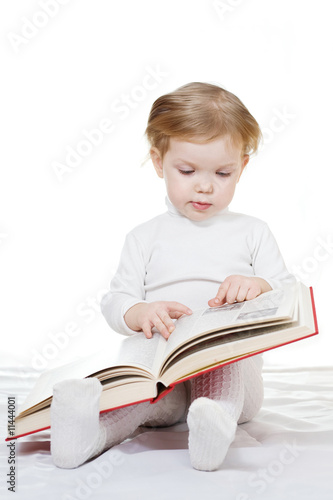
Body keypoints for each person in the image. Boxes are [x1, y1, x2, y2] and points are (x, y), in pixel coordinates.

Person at [51, 82, 295, 471]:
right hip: (166, 379)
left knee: (223, 357)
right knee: (141, 379)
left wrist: (260, 286)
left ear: (242, 167)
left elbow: (289, 293)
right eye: (187, 170)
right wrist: (140, 312)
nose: (204, 184)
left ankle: (212, 424)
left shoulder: (253, 232)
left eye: (222, 172)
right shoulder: (144, 237)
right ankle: (84, 434)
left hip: (235, 383)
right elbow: (115, 300)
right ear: (158, 161)